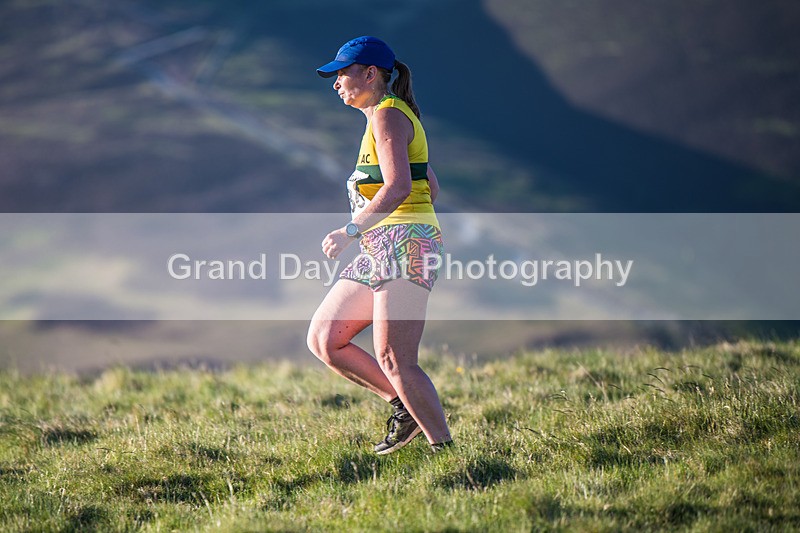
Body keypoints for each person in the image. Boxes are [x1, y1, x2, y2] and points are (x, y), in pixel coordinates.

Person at [307, 36, 453, 454]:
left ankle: (445, 451)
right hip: (385, 245)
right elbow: (432, 186)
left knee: (394, 357)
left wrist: (350, 231)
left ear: (370, 74)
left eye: (342, 72)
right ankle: (403, 409)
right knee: (324, 339)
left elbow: (401, 186)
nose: (336, 82)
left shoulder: (388, 116)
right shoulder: (382, 118)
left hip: (404, 244)